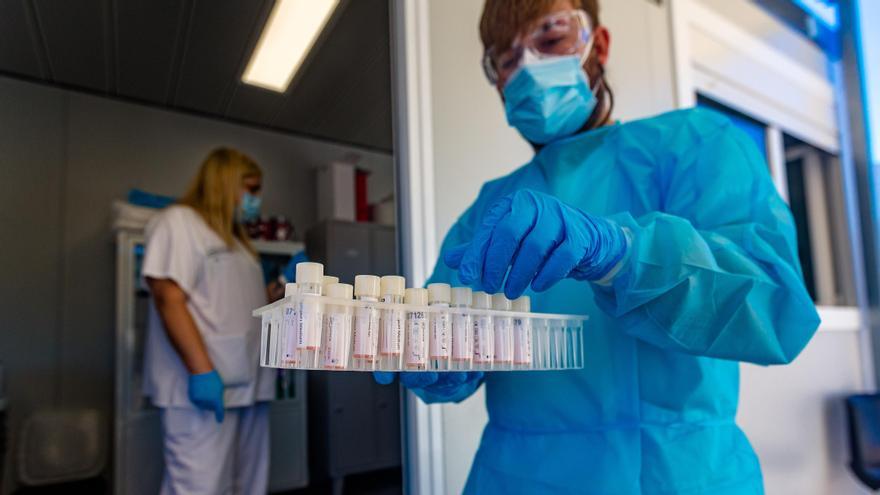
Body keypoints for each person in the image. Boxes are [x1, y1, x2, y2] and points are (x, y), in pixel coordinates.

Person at [376, 1, 821, 493]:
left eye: (549, 39)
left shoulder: (692, 146)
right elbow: (446, 347)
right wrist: (429, 358)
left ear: (599, 45)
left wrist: (624, 254)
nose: (526, 71)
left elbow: (777, 303)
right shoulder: (488, 210)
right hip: (514, 477)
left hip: (678, 475)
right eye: (505, 60)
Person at [143, 147, 276, 495]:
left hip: (249, 384)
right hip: (203, 387)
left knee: (248, 485)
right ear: (224, 184)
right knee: (200, 487)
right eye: (251, 188)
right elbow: (167, 295)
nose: (256, 199)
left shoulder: (238, 242)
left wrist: (275, 292)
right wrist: (202, 372)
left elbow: (231, 302)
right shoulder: (180, 222)